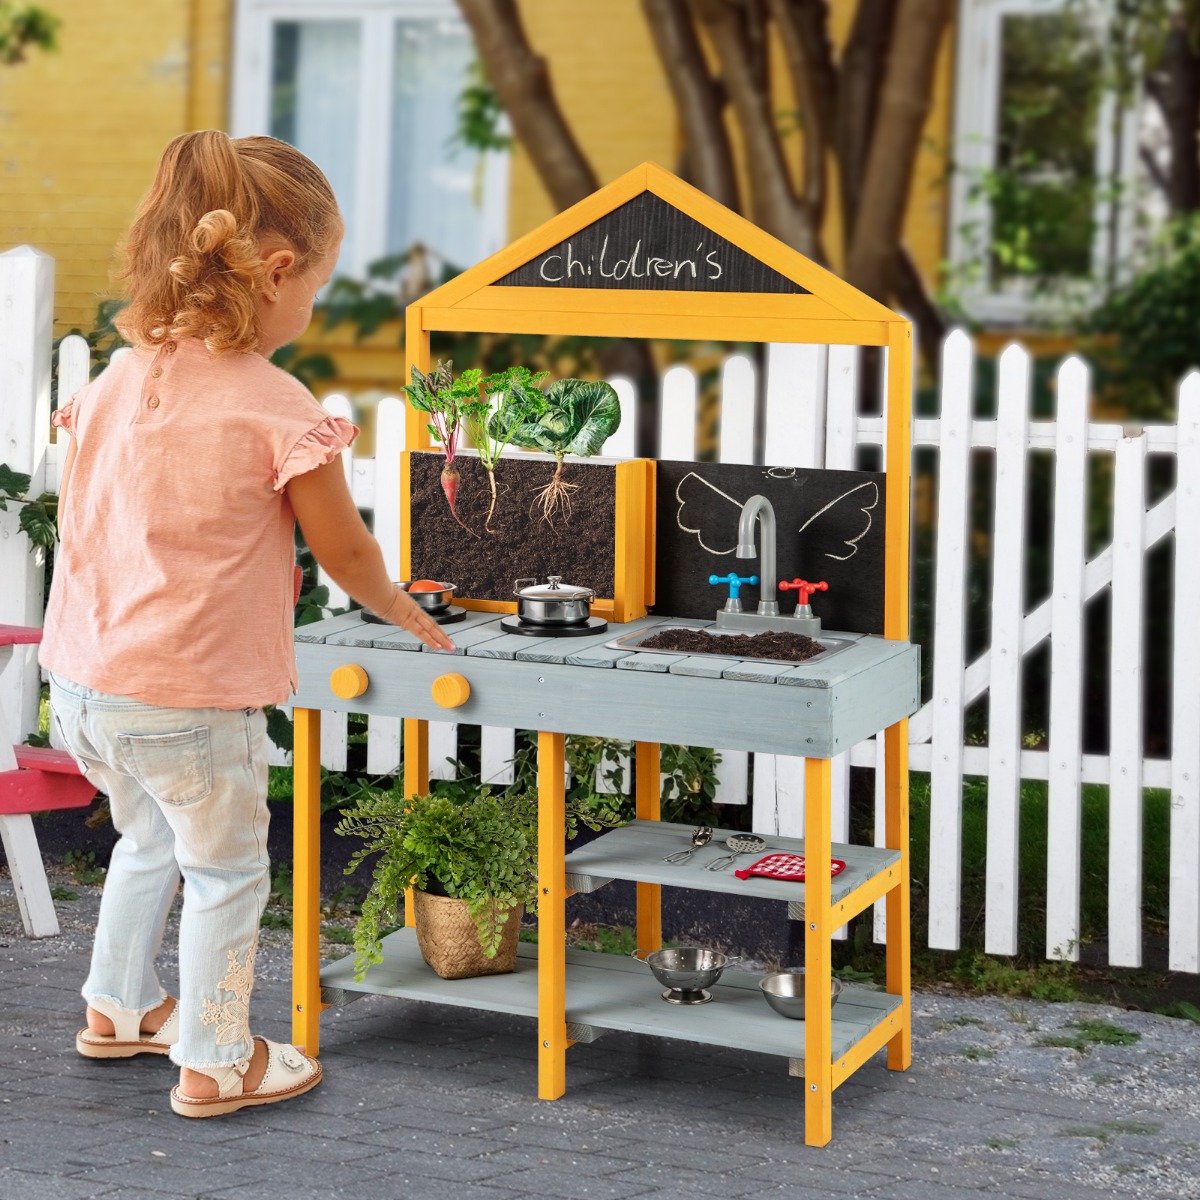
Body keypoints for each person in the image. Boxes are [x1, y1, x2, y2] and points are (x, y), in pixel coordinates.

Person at [38, 131, 455, 1118]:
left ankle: (120, 1008)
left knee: (146, 842)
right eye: (317, 284)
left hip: (89, 690)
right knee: (227, 873)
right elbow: (345, 555)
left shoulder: (113, 382)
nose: (314, 306)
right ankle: (220, 1059)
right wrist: (398, 606)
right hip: (193, 699)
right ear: (276, 273)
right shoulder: (276, 406)